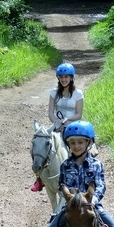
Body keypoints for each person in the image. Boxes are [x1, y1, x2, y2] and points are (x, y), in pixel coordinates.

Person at [32, 62, 84, 192]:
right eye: (61, 77)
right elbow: (50, 113)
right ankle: (39, 178)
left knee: (77, 151)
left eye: (66, 77)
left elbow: (78, 114)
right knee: (40, 146)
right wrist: (56, 123)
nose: (63, 79)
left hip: (72, 127)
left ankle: (79, 177)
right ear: (58, 78)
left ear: (71, 78)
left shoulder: (78, 94)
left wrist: (67, 120)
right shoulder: (53, 93)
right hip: (56, 127)